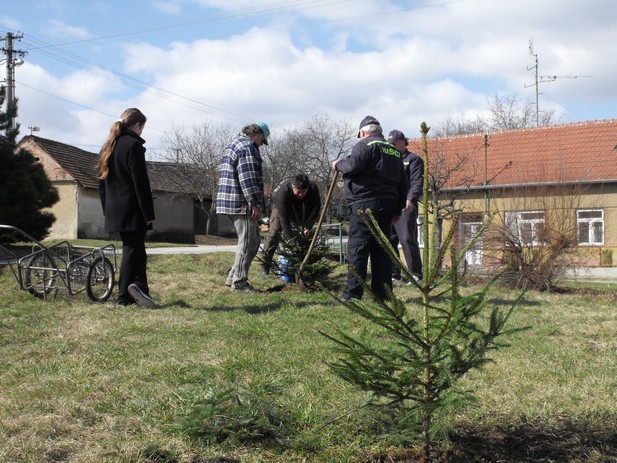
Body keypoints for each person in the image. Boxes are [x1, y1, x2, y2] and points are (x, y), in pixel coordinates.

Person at [332, 116, 408, 302]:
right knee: (381, 249)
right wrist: (397, 210)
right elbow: (403, 184)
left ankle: (352, 294)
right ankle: (382, 295)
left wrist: (338, 164)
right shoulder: (395, 151)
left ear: (363, 133)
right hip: (387, 205)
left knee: (358, 249)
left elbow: (353, 165)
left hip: (364, 204)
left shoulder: (364, 146)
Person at [98, 108, 156, 308]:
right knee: (132, 251)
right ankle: (123, 296)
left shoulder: (109, 146)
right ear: (137, 125)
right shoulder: (133, 146)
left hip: (115, 210)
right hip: (133, 210)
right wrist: (148, 214)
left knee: (138, 251)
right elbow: (141, 183)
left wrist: (107, 211)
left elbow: (101, 183)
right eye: (142, 127)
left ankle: (141, 290)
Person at [216, 121, 269, 291]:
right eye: (263, 140)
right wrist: (254, 202)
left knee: (252, 241)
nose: (262, 144)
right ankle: (239, 283)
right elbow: (247, 178)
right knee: (247, 243)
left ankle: (233, 277)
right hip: (241, 202)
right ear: (257, 134)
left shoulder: (234, 144)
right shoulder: (247, 147)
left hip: (231, 201)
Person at [260, 173, 322, 275]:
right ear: (293, 187)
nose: (301, 194)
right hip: (281, 209)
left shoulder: (313, 189)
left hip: (303, 210)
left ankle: (308, 268)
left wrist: (308, 226)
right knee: (274, 233)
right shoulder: (283, 192)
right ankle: (265, 266)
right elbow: (284, 218)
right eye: (298, 192)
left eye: (304, 192)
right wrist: (290, 239)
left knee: (306, 237)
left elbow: (316, 209)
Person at [388, 129, 424, 284]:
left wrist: (411, 199)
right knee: (389, 240)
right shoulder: (388, 160)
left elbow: (416, 182)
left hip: (405, 207)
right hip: (389, 205)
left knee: (407, 238)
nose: (391, 147)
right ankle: (394, 274)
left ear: (402, 142)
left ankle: (416, 274)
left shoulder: (413, 160)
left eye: (394, 144)